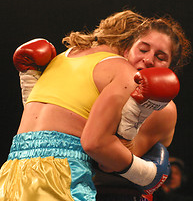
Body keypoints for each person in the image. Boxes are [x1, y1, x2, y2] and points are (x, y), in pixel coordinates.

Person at [0, 10, 191, 201]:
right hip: (64, 174)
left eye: (160, 57)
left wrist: (28, 80)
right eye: (143, 49)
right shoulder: (123, 73)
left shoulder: (64, 57)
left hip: (11, 172)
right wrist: (148, 174)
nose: (148, 59)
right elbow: (102, 153)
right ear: (127, 48)